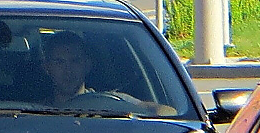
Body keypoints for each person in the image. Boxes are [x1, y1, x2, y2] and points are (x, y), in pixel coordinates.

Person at [42, 30, 174, 114]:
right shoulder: (34, 112)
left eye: (75, 61)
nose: (68, 70)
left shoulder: (115, 102)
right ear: (47, 67)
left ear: (87, 65)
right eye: (59, 62)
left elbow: (163, 111)